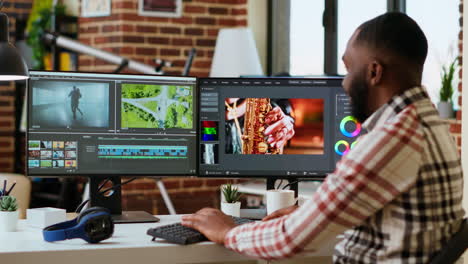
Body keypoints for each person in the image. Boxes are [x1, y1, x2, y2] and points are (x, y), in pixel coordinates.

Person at [182, 12, 465, 263]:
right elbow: (387, 211)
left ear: (374, 72)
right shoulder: (430, 125)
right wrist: (307, 212)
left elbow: (289, 241)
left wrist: (229, 231)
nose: (343, 82)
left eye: (348, 68)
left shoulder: (393, 138)